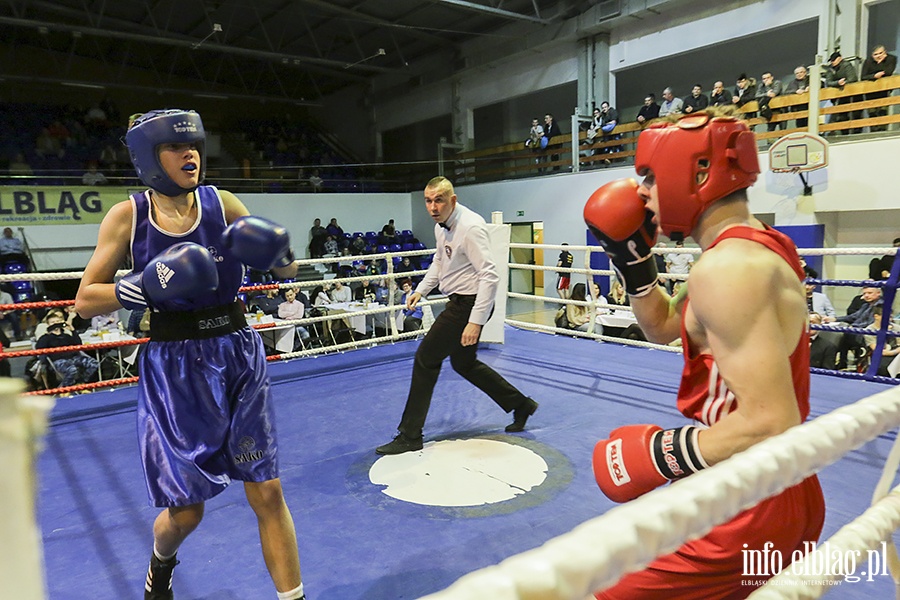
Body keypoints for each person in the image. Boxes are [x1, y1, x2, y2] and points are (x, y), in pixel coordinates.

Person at [583, 107, 824, 598]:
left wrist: (662, 454)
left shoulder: (727, 269)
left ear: (694, 172)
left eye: (649, 175)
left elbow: (771, 420)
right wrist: (633, 263)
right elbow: (664, 326)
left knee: (602, 590)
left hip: (745, 501)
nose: (641, 192)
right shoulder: (751, 249)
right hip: (778, 485)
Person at [73, 109, 307, 600]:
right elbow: (85, 298)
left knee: (267, 489)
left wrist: (279, 256)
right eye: (176, 148)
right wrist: (142, 285)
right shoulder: (129, 215)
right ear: (149, 158)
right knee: (188, 511)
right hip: (176, 367)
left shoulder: (221, 203)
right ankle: (161, 563)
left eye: (194, 146)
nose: (191, 155)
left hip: (238, 352)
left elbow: (289, 271)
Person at [375, 176, 538, 455]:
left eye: (438, 200)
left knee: (426, 359)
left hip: (470, 305)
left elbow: (490, 276)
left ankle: (410, 434)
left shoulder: (471, 227)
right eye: (428, 200)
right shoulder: (442, 227)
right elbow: (440, 261)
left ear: (453, 200)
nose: (432, 207)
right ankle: (521, 405)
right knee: (464, 364)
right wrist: (421, 290)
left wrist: (475, 321)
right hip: (462, 302)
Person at [34, 313, 99, 388]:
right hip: (58, 360)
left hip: (74, 357)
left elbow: (78, 344)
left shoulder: (66, 336)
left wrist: (72, 329)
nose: (56, 324)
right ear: (48, 324)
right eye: (53, 322)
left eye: (58, 321)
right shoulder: (46, 338)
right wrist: (48, 333)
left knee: (94, 364)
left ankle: (81, 382)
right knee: (72, 370)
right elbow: (38, 348)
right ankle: (65, 388)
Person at [861, 45, 897, 132]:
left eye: (881, 53)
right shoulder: (868, 62)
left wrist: (880, 62)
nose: (879, 56)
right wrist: (874, 76)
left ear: (885, 52)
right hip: (870, 93)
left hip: (884, 92)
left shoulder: (891, 59)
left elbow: (888, 72)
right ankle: (873, 132)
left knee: (883, 114)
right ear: (872, 55)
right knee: (872, 115)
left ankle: (883, 132)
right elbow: (863, 76)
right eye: (876, 54)